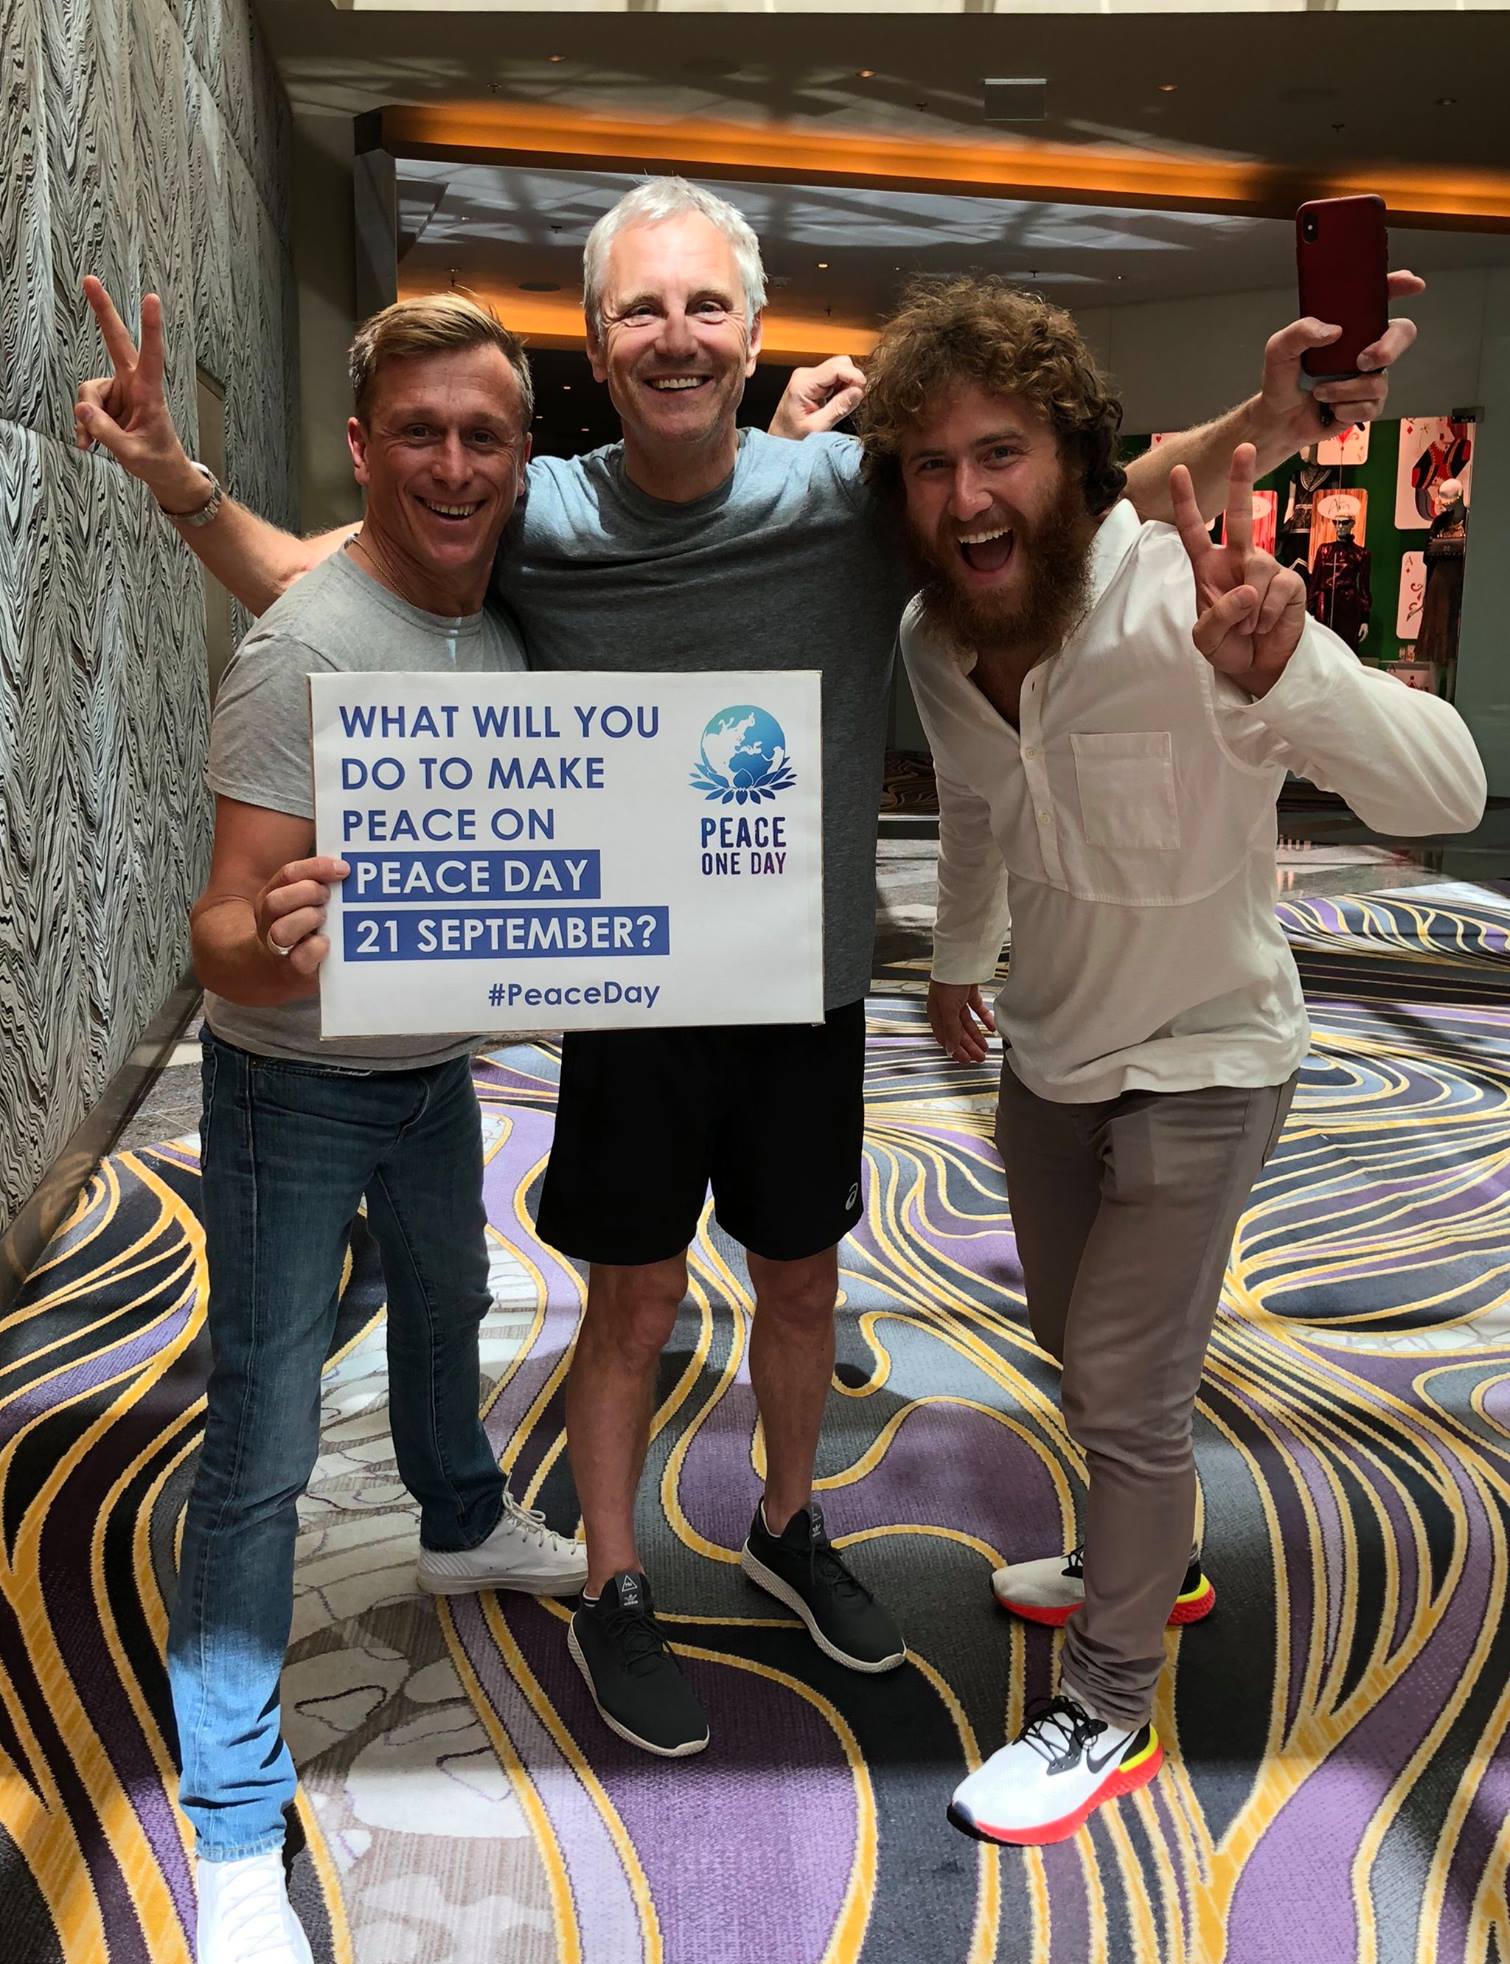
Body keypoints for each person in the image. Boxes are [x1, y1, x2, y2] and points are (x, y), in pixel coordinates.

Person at [76, 179, 1422, 1764]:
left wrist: (1263, 420)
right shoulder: (540, 511)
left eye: (705, 306)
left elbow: (1093, 491)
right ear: (597, 337)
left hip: (806, 985)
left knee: (802, 1281)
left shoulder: (846, 498)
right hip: (629, 996)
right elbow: (331, 580)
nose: (675, 336)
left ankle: (788, 1529)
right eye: (641, 309)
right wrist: (177, 486)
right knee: (629, 1300)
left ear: (752, 329)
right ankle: (618, 1581)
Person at [857, 277, 1485, 1847]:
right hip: (1051, 1051)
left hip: (1209, 1051)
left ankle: (1108, 1701)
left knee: (1129, 1385)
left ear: (1075, 462)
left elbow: (1452, 791)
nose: (965, 496)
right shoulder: (936, 641)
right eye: (931, 467)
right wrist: (951, 960)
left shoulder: (1187, 606)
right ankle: (1161, 1555)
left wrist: (1289, 673)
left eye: (997, 454)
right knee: (1079, 1346)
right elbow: (984, 811)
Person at [128, 290, 589, 1964]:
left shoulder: (502, 606)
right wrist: (281, 944)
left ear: (521, 452)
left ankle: (461, 1518)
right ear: (364, 446)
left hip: (434, 1076)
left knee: (452, 1292)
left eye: (484, 432)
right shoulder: (308, 649)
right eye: (421, 432)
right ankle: (235, 1828)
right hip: (290, 1095)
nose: (455, 462)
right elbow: (221, 936)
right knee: (256, 1435)